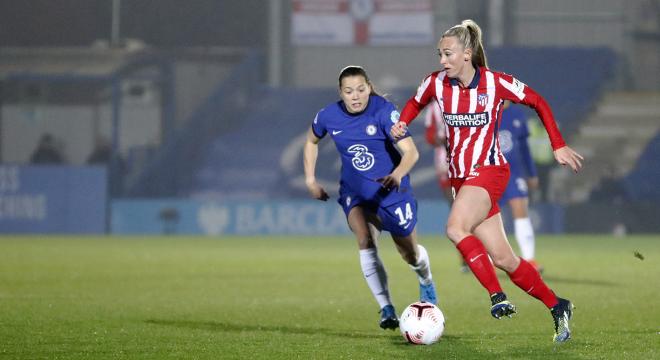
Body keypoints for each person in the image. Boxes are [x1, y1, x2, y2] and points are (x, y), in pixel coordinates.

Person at [390, 20, 583, 343]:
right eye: (439, 54)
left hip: (490, 171)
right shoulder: (436, 84)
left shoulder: (496, 83)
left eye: (448, 54)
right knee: (505, 258)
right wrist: (403, 123)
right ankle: (558, 305)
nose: (442, 60)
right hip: (461, 179)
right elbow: (414, 102)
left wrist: (557, 144)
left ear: (467, 54)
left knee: (454, 228)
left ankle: (497, 296)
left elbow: (538, 101)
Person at [303, 65, 438, 330]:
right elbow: (311, 141)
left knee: (409, 253)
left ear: (369, 87)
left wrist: (398, 174)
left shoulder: (384, 112)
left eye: (361, 89)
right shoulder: (328, 116)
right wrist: (310, 179)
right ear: (340, 93)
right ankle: (386, 308)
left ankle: (426, 281)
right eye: (349, 91)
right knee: (365, 240)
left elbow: (411, 152)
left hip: (392, 192)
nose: (355, 96)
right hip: (355, 192)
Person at [498, 101, 542, 272]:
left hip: (514, 173)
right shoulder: (485, 111)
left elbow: (524, 148)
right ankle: (495, 259)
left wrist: (531, 173)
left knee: (520, 211)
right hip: (491, 172)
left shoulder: (517, 114)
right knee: (492, 218)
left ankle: (529, 259)